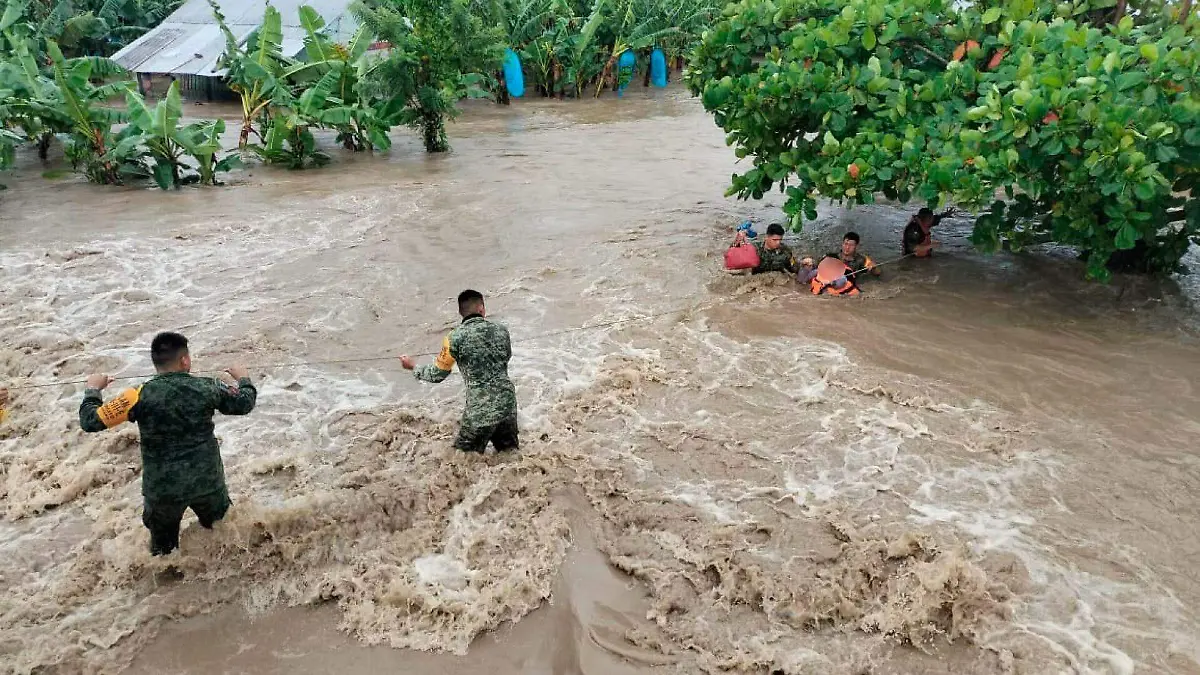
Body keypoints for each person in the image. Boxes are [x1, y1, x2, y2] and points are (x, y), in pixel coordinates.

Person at [79, 332, 257, 556]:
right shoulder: (208, 387)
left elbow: (90, 420)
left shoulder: (137, 396)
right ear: (184, 360)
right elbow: (244, 403)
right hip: (207, 482)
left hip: (163, 490)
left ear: (155, 363)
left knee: (163, 554)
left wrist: (93, 389)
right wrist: (243, 379)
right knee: (224, 539)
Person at [400, 290, 518, 454]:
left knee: (460, 461)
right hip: (507, 405)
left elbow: (437, 374)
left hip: (480, 411)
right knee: (510, 455)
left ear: (461, 312)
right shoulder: (501, 330)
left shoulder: (454, 338)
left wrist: (413, 367)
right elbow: (506, 356)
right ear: (482, 309)